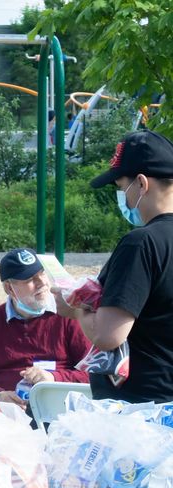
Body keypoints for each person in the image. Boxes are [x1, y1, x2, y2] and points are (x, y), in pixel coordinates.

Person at [55, 130, 173, 403]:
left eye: (123, 188)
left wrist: (75, 307)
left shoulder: (141, 244)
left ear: (142, 184)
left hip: (143, 412)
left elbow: (108, 335)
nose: (125, 199)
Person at [0, 248, 92, 407]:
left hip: (58, 409)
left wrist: (54, 378)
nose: (42, 283)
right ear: (9, 288)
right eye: (30, 279)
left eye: (42, 273)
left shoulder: (68, 315)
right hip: (7, 413)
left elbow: (94, 374)